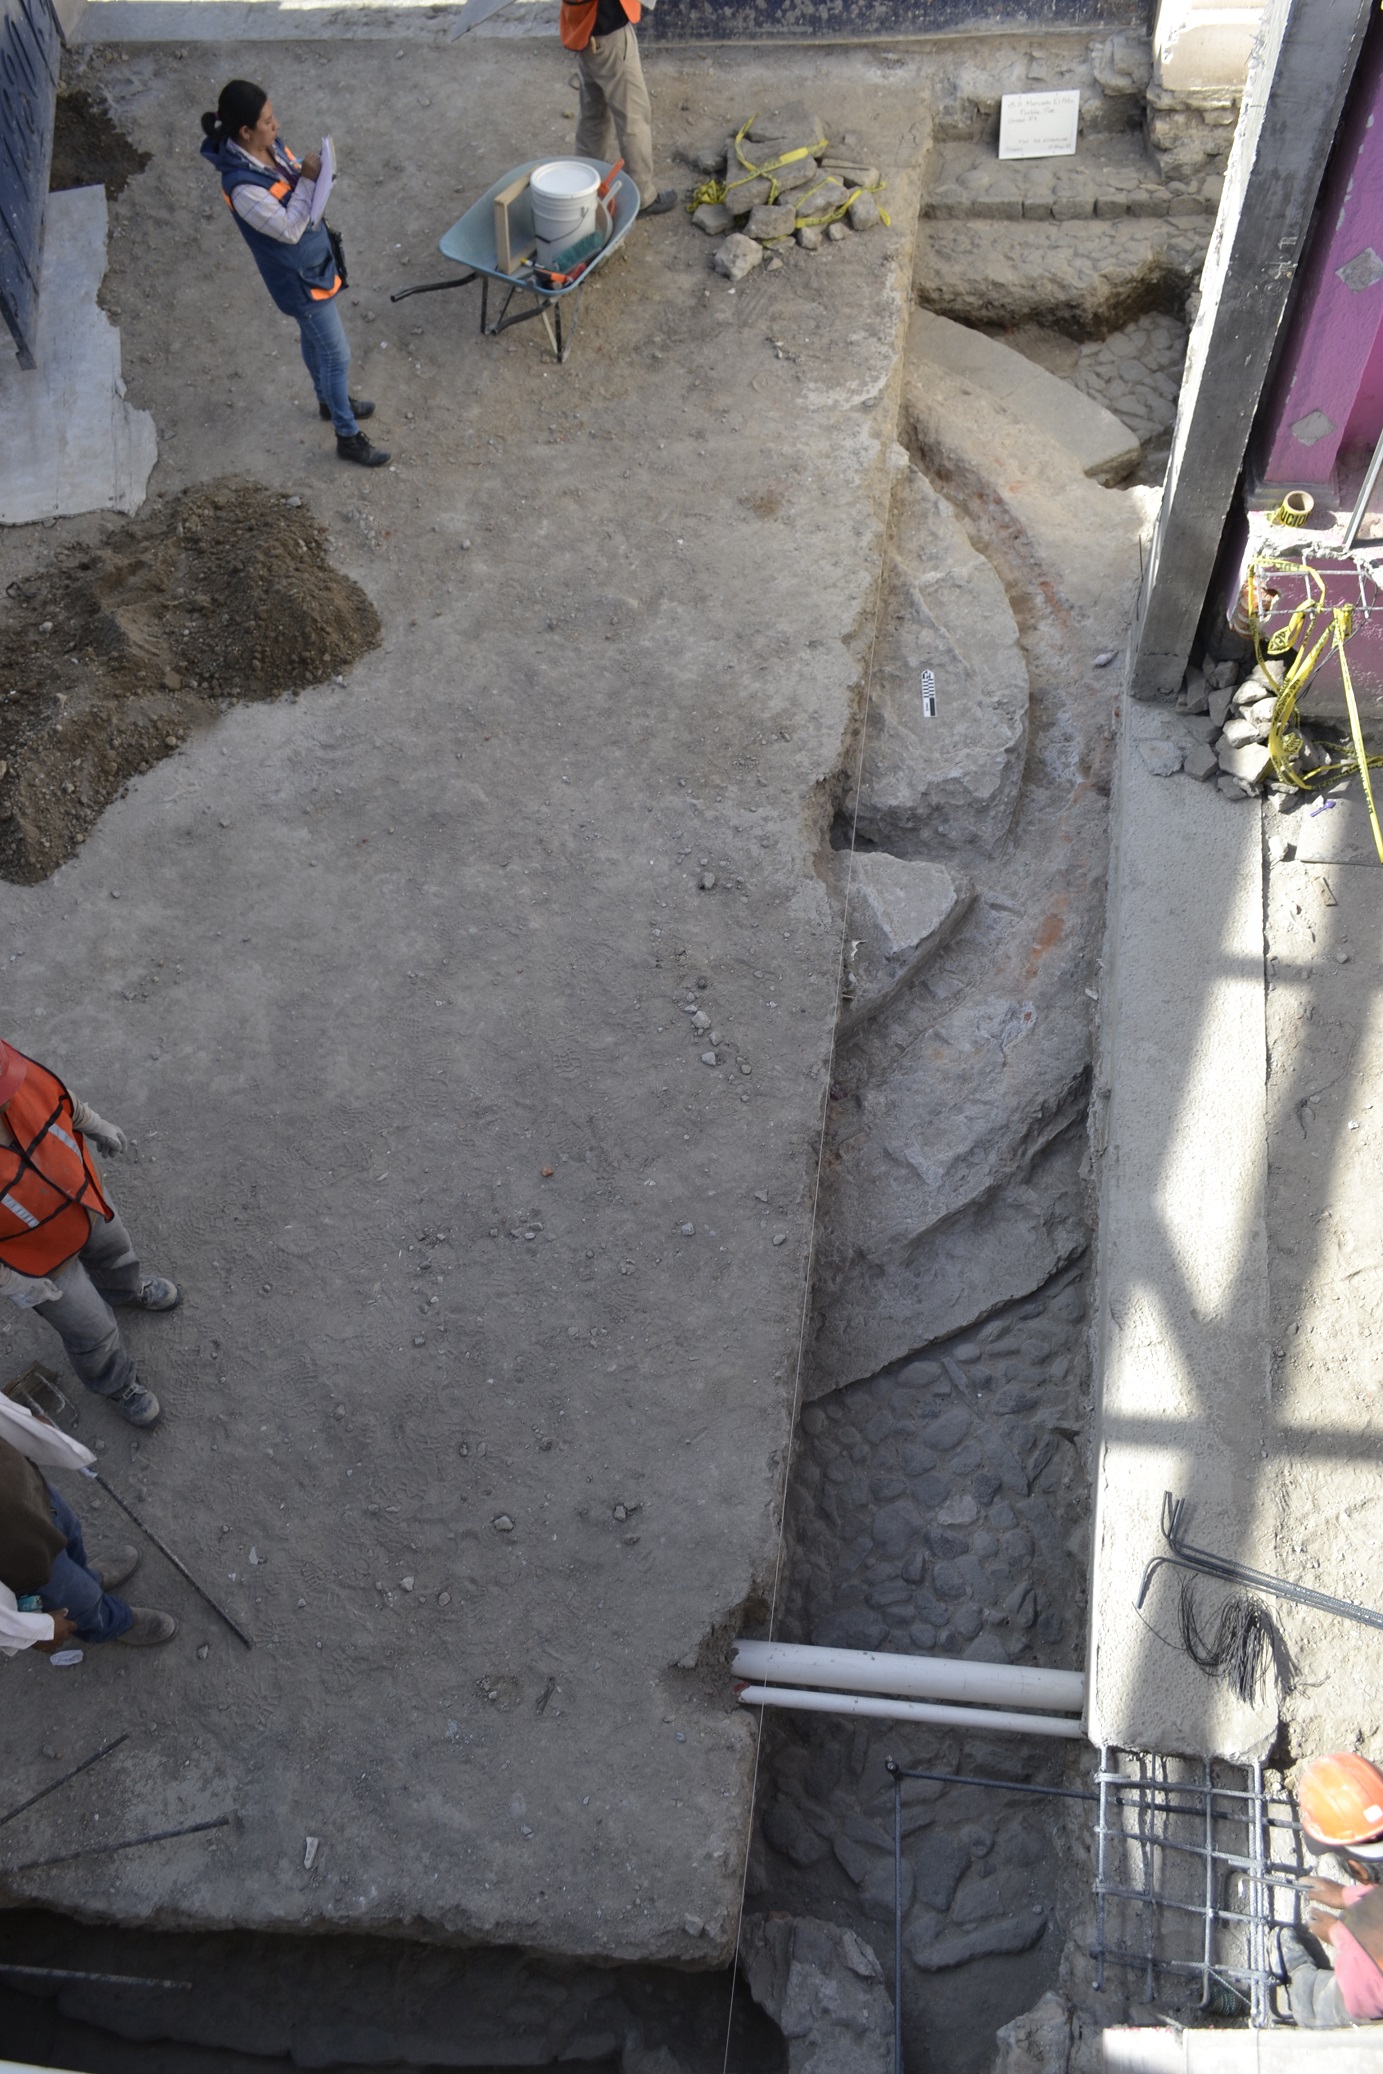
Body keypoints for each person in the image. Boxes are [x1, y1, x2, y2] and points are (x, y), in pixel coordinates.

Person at [200, 80, 389, 469]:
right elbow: (287, 229)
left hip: (312, 267)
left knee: (313, 338)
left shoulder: (267, 147)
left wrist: (314, 176)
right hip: (299, 282)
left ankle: (326, 400)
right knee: (337, 353)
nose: (276, 126)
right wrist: (307, 179)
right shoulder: (241, 189)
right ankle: (347, 435)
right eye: (267, 122)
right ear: (245, 132)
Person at [0, 1039, 180, 1430]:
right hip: (40, 1260)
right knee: (92, 1332)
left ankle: (126, 1292)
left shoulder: (11, 1074)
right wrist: (14, 1283)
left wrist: (94, 1124)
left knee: (118, 1255)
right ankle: (117, 1383)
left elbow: (55, 1097)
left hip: (85, 1200)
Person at [0, 1388, 176, 1654]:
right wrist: (28, 1631)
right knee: (77, 1603)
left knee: (70, 1534)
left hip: (31, 1493)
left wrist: (20, 1417)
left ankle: (89, 1578)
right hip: (23, 1566)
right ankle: (112, 1622)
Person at [559, 0, 675, 218]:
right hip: (610, 36)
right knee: (634, 117)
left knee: (593, 117)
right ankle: (643, 196)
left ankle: (582, 189)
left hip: (584, 33)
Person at [1277, 1883, 1383, 2027]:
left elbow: (1372, 1977)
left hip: (1363, 1998)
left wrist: (1338, 1934)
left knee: (1339, 2000)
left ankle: (1310, 2009)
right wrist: (1348, 1895)